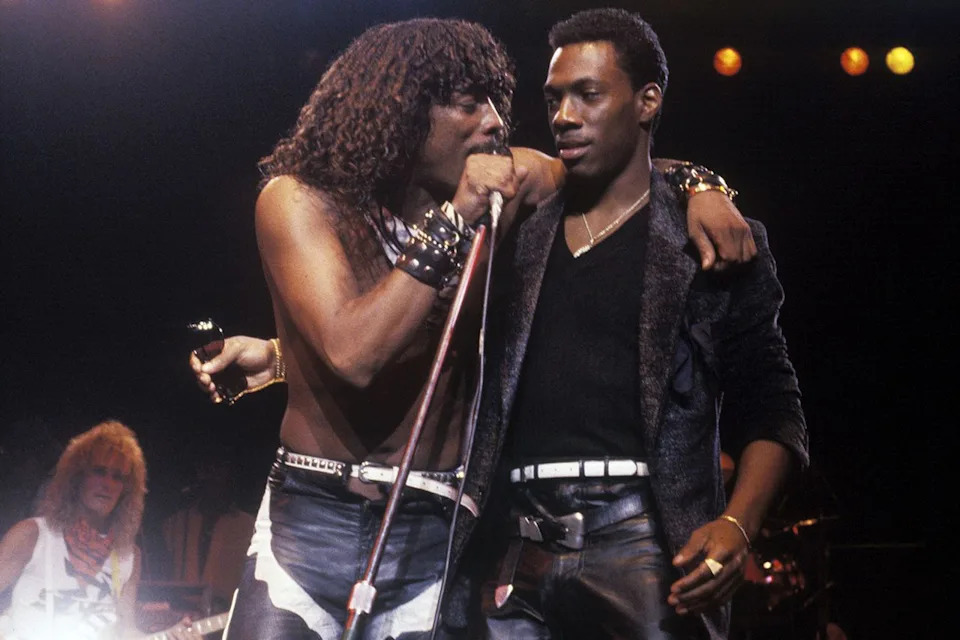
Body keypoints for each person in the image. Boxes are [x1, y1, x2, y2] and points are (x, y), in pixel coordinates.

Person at [190, 17, 755, 640]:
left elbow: (613, 166)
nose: (494, 122)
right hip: (313, 515)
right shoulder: (301, 201)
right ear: (402, 113)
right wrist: (453, 219)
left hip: (441, 523)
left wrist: (702, 185)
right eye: (468, 104)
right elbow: (354, 353)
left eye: (497, 103)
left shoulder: (502, 188)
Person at [460, 9, 809, 639]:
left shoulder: (707, 240)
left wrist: (737, 524)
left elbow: (773, 406)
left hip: (645, 543)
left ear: (647, 101)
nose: (564, 115)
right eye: (554, 98)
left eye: (587, 94)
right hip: (512, 544)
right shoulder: (517, 232)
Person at [0, 420, 199, 640]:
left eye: (117, 477)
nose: (107, 484)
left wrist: (169, 636)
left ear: (127, 489)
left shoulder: (128, 556)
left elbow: (126, 631)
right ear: (77, 477)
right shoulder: (32, 535)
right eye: (99, 471)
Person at [160, 453, 254, 613]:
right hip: (180, 618)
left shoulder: (248, 526)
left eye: (219, 468)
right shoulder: (176, 523)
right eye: (208, 469)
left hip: (226, 619)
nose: (213, 476)